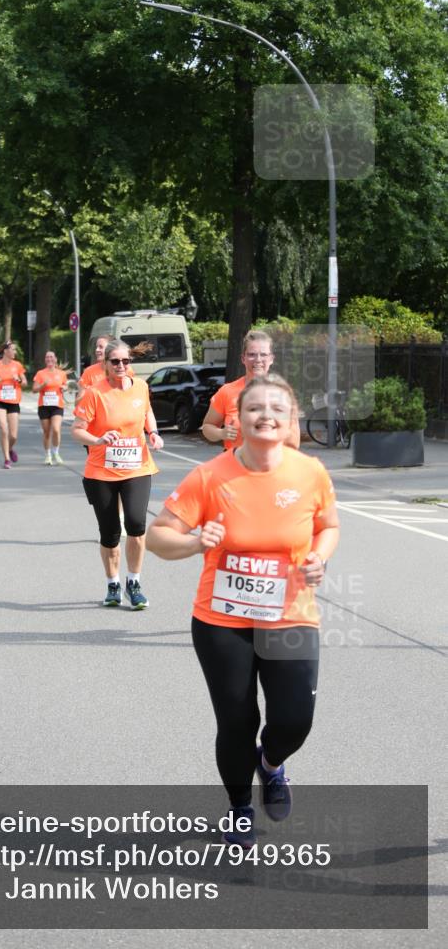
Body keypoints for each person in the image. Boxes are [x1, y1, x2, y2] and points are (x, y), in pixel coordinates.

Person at [147, 374, 339, 846]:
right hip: (222, 621)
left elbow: (328, 526)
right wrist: (194, 543)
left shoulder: (309, 472)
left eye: (278, 408)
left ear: (291, 420)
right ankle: (239, 808)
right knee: (236, 722)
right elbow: (156, 537)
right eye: (255, 408)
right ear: (238, 418)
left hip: (290, 613)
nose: (266, 415)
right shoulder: (211, 476)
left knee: (294, 719)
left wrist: (319, 557)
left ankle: (271, 765)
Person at [72, 340, 164, 609]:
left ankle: (133, 582)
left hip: (137, 467)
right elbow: (77, 429)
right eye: (116, 362)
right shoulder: (94, 393)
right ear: (106, 364)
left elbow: (147, 412)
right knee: (110, 533)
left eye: (126, 361)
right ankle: (113, 583)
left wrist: (154, 433)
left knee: (136, 525)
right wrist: (98, 439)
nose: (122, 366)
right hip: (101, 471)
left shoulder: (141, 387)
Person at [202, 330, 300, 451]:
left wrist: (269, 430)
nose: (258, 359)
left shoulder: (282, 393)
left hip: (269, 465)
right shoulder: (227, 391)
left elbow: (294, 442)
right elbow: (207, 427)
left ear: (271, 359)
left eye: (263, 354)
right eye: (252, 354)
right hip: (234, 465)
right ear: (243, 358)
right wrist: (221, 433)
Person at [0, 340, 27, 469]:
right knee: (4, 429)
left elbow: (25, 383)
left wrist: (18, 380)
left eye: (15, 350)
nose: (14, 352)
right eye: (13, 349)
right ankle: (7, 459)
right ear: (5, 351)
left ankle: (9, 449)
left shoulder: (17, 365)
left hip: (13, 401)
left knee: (13, 435)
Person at [33, 351, 68, 465]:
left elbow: (65, 385)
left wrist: (64, 388)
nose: (49, 359)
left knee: (56, 429)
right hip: (44, 405)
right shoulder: (40, 373)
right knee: (47, 432)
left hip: (57, 405)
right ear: (45, 360)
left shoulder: (61, 373)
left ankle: (56, 452)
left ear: (55, 359)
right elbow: (34, 389)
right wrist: (43, 385)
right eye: (47, 357)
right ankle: (48, 455)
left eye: (51, 357)